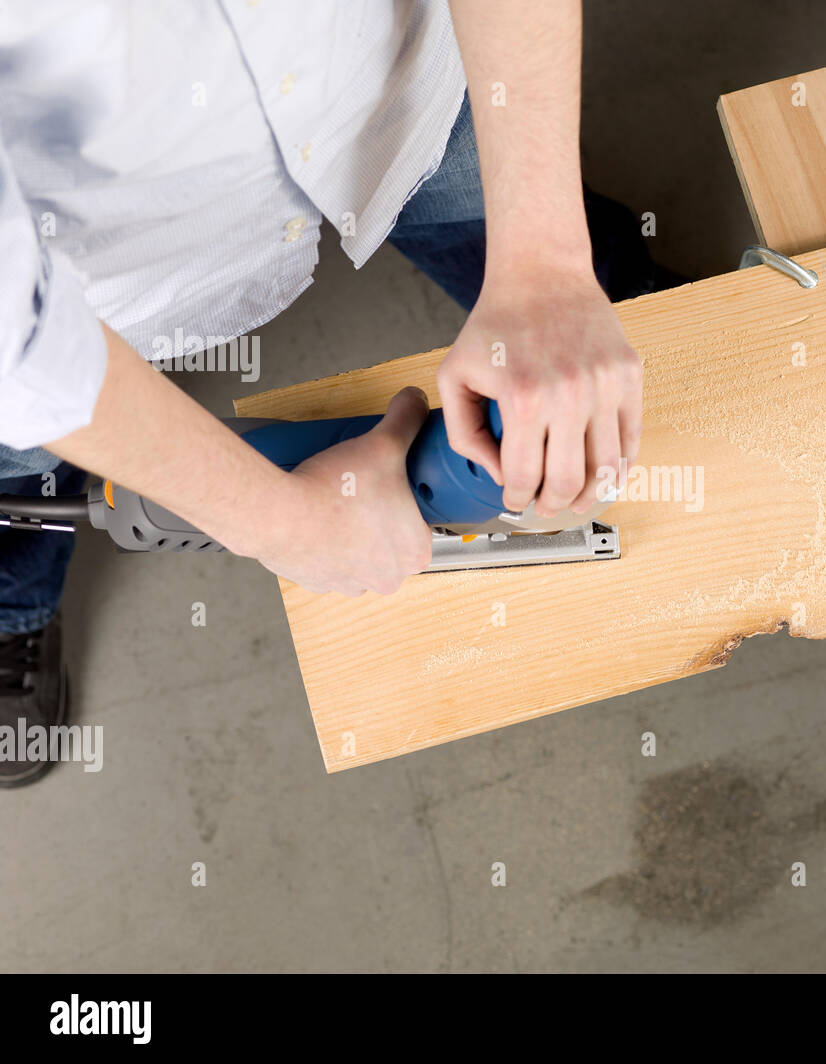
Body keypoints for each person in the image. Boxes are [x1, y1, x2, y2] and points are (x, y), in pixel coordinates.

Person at [0, 0, 677, 786]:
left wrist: (547, 267)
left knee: (515, 239)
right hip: (88, 255)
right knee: (20, 461)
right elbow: (16, 341)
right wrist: (280, 521)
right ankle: (14, 599)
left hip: (391, 74)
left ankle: (641, 317)